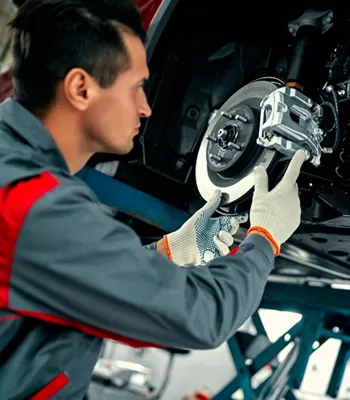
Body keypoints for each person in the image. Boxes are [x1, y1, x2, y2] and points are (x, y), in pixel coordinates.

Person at [0, 0, 306, 398]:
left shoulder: (18, 178)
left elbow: (82, 276)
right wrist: (264, 239)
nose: (146, 107)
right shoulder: (28, 202)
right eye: (136, 88)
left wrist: (169, 251)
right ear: (81, 88)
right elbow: (202, 317)